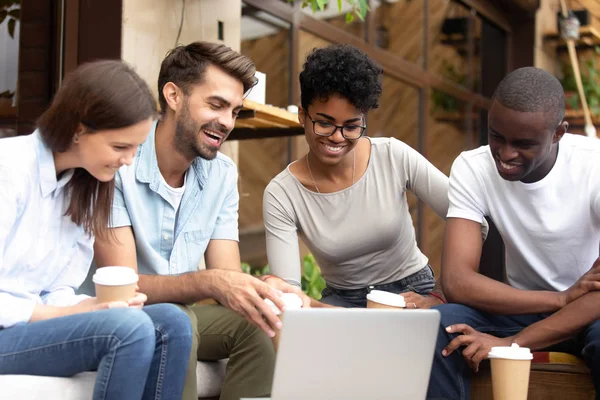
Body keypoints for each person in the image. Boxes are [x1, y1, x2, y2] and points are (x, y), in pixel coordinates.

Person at [87, 42, 309, 400]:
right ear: (173, 96)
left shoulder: (220, 174)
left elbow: (226, 276)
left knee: (259, 325)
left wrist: (262, 288)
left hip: (181, 315)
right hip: (113, 317)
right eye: (216, 105)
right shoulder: (119, 162)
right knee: (180, 322)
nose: (226, 122)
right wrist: (211, 281)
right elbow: (124, 287)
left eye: (235, 111)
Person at [0, 60, 192, 400]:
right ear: (78, 129)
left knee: (171, 324)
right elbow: (50, 308)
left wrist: (97, 305)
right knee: (128, 330)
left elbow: (60, 286)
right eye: (120, 147)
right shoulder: (9, 169)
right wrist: (65, 313)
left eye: (136, 148)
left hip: (32, 326)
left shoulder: (85, 185)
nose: (129, 161)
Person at [427, 67, 600, 400]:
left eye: (523, 144)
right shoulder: (473, 167)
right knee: (438, 324)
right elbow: (458, 281)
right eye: (497, 136)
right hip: (523, 308)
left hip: (589, 312)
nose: (505, 154)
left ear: (558, 134)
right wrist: (560, 298)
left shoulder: (593, 167)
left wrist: (509, 345)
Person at [263, 44, 472, 308]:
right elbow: (288, 296)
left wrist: (439, 294)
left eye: (351, 126)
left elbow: (472, 219)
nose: (337, 137)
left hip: (414, 295)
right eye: (325, 123)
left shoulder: (392, 155)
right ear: (302, 116)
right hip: (341, 304)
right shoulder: (282, 193)